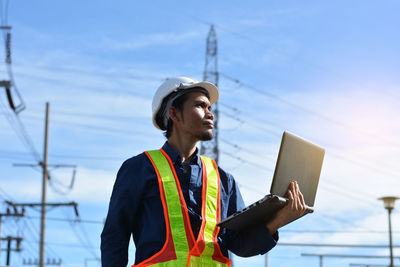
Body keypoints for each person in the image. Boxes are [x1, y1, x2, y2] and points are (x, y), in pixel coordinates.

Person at [101, 76, 307, 267]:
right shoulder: (139, 169)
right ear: (174, 113)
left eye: (210, 107)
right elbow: (114, 237)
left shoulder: (223, 180)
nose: (210, 113)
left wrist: (280, 219)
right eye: (200, 105)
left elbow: (239, 244)